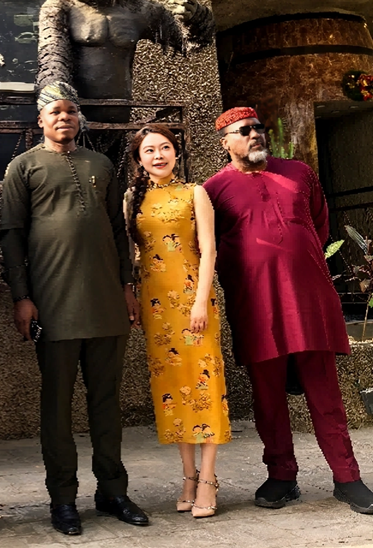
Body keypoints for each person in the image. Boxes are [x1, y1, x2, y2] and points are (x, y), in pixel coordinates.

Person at [204, 107, 373, 514]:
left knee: (325, 394)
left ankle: (347, 477)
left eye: (258, 128)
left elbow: (319, 225)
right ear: (225, 143)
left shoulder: (299, 173)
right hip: (256, 307)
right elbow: (209, 246)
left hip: (308, 302)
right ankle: (281, 476)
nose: (255, 134)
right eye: (243, 131)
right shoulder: (214, 190)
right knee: (268, 398)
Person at [0, 82, 149, 536]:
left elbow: (119, 230)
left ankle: (113, 491)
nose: (63, 117)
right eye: (55, 112)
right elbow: (11, 235)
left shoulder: (100, 164)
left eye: (70, 111)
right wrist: (22, 296)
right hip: (53, 304)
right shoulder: (23, 167)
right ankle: (63, 498)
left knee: (107, 402)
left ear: (79, 118)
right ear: (40, 121)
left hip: (106, 303)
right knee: (57, 407)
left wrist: (127, 287)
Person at [126, 123, 230, 518]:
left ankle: (208, 479)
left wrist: (201, 301)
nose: (158, 155)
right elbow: (133, 255)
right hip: (157, 309)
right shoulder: (131, 198)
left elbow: (209, 250)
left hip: (193, 302)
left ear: (176, 152)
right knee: (173, 389)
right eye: (149, 150)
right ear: (139, 159)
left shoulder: (195, 193)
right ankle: (188, 476)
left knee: (205, 385)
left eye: (165, 147)